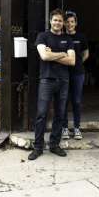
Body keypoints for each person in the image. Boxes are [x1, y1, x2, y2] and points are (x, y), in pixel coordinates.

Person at [28, 9, 75, 161]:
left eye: (60, 21)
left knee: (60, 115)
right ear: (50, 21)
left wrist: (53, 55)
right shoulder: (42, 36)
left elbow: (72, 61)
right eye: (55, 20)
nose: (57, 23)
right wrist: (62, 54)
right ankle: (38, 147)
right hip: (46, 80)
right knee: (41, 114)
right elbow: (44, 55)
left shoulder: (68, 39)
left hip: (63, 81)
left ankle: (54, 145)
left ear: (63, 23)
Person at [62, 11, 89, 141]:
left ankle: (77, 127)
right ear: (64, 23)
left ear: (76, 23)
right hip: (63, 73)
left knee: (76, 101)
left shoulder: (81, 37)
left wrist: (77, 63)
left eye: (72, 22)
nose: (69, 24)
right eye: (67, 22)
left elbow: (86, 54)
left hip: (78, 73)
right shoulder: (61, 36)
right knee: (64, 101)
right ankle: (64, 128)